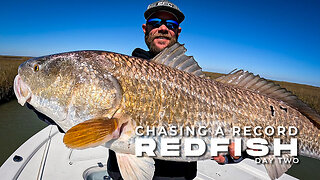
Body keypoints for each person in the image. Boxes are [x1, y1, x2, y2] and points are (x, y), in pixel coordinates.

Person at [107, 1, 245, 180]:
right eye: (155, 22)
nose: (163, 28)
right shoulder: (119, 72)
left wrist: (234, 154)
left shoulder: (196, 82)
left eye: (171, 25)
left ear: (178, 31)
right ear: (145, 28)